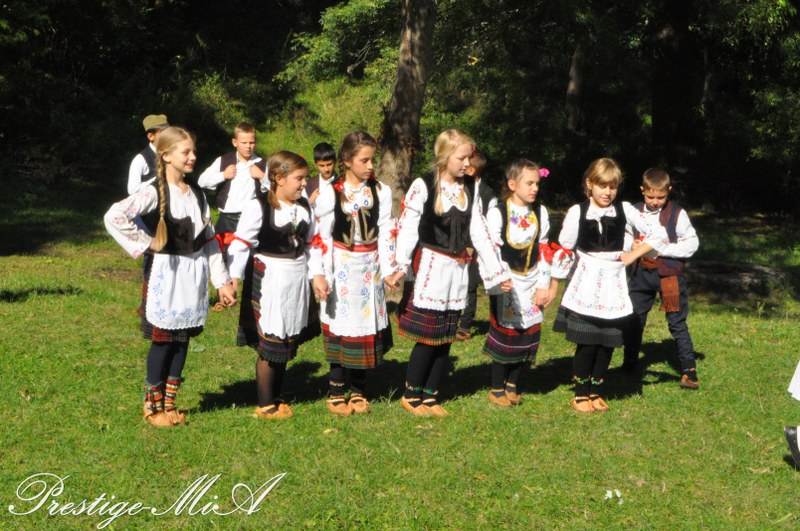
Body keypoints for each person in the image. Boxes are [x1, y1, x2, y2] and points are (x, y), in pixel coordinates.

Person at [105, 126, 237, 427]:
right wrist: (146, 243)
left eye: (193, 151)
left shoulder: (197, 193)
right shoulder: (153, 190)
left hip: (193, 275)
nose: (192, 157)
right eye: (185, 152)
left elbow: (209, 240)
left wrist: (221, 281)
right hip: (166, 276)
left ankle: (169, 403)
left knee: (182, 340)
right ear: (165, 156)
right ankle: (152, 408)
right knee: (164, 341)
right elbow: (114, 216)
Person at [387, 129, 509, 417]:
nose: (467, 163)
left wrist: (497, 271)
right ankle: (411, 394)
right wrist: (399, 266)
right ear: (444, 156)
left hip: (457, 271)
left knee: (446, 336)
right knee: (428, 336)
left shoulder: (471, 188)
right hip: (432, 267)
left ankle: (431, 395)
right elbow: (407, 227)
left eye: (469, 157)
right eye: (462, 157)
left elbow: (480, 233)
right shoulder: (424, 185)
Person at [551, 158, 667, 413]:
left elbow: (659, 234)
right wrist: (554, 283)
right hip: (587, 282)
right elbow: (565, 247)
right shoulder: (578, 211)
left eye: (613, 186)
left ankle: (596, 390)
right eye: (602, 186)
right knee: (588, 341)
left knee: (608, 341)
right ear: (590, 184)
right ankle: (581, 393)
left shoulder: (625, 210)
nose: (607, 192)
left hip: (614, 283)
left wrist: (632, 254)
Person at [227, 151, 327, 419]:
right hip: (271, 278)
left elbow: (312, 243)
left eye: (305, 178)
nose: (304, 184)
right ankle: (265, 404)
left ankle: (276, 396)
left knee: (286, 341)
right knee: (271, 342)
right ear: (279, 178)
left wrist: (317, 274)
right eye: (299, 178)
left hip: (296, 279)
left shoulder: (304, 206)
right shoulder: (259, 206)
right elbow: (241, 243)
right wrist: (233, 279)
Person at [315, 131, 394, 415]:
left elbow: (385, 231)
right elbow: (322, 237)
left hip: (370, 266)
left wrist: (389, 269)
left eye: (373, 159)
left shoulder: (380, 191)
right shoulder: (331, 193)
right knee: (341, 325)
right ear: (347, 161)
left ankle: (359, 390)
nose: (371, 165)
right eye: (364, 160)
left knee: (364, 326)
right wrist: (324, 274)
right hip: (342, 266)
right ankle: (337, 389)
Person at [482, 159, 559, 407]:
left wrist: (544, 284)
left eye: (537, 183)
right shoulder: (498, 213)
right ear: (512, 184)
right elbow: (491, 250)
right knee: (507, 332)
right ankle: (496, 386)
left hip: (533, 279)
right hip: (508, 281)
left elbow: (544, 250)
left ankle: (513, 383)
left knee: (528, 332)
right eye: (529, 183)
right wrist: (499, 278)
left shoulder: (540, 213)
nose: (535, 188)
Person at [622, 168, 700, 389]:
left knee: (676, 322)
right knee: (634, 319)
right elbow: (625, 236)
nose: (655, 202)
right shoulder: (634, 212)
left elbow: (692, 243)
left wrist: (662, 249)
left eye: (660, 197)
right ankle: (629, 365)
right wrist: (631, 245)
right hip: (641, 273)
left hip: (669, 276)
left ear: (669, 191)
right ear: (642, 190)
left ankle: (689, 372)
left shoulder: (677, 213)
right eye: (650, 197)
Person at [197, 122, 266, 251]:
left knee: (251, 256)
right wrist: (223, 175)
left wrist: (262, 176)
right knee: (223, 254)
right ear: (235, 142)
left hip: (252, 221)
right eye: (244, 143)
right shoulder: (224, 161)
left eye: (251, 142)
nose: (248, 146)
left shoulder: (262, 164)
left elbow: (276, 190)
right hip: (227, 220)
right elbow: (202, 181)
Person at [456, 148, 498, 341]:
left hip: (477, 247)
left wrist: (475, 246)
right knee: (456, 282)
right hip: (457, 244)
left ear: (472, 170)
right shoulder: (458, 188)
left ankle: (465, 326)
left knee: (470, 285)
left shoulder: (487, 194)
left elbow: (488, 225)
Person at [127, 114, 169, 195]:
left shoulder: (173, 153)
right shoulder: (140, 159)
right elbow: (132, 190)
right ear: (151, 136)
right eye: (163, 133)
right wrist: (157, 180)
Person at [306, 142, 337, 208]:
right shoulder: (310, 184)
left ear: (335, 161)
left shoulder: (342, 183)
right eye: (321, 166)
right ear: (315, 164)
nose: (326, 169)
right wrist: (309, 202)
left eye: (329, 164)